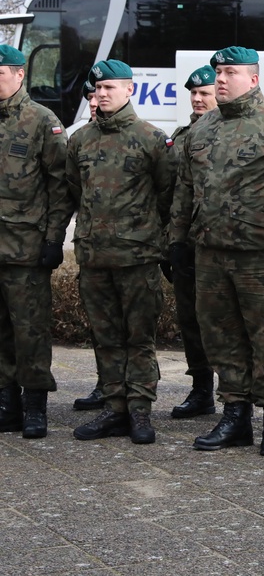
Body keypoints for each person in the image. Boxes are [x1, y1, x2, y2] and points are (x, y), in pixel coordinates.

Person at [170, 46, 264, 457]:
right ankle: (235, 415)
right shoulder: (202, 130)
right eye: (218, 72)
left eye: (230, 72)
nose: (220, 79)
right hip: (211, 254)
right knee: (221, 336)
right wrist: (177, 240)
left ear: (253, 79)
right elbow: (185, 190)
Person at [68, 59, 174, 445]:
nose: (102, 94)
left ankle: (141, 412)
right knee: (105, 337)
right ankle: (114, 408)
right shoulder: (80, 140)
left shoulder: (150, 138)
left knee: (139, 338)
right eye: (97, 89)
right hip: (95, 258)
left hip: (137, 258)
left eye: (110, 88)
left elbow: (167, 194)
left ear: (130, 90)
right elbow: (74, 190)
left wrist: (152, 238)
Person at [0, 44, 73, 439]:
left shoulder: (42, 120)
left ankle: (34, 405)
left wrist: (54, 237)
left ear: (18, 74)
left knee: (30, 331)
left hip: (25, 248)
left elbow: (60, 185)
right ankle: (6, 401)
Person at [169, 65, 218, 419]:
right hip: (189, 244)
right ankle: (201, 390)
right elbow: (171, 194)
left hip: (226, 245)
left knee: (228, 323)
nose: (198, 98)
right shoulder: (182, 135)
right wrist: (170, 243)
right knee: (190, 320)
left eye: (205, 92)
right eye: (194, 93)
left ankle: (239, 397)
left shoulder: (236, 131)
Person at [72, 78, 106, 412]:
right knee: (99, 326)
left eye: (98, 96)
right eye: (90, 98)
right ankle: (104, 385)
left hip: (130, 249)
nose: (94, 102)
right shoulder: (78, 141)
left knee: (133, 330)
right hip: (91, 247)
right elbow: (68, 190)